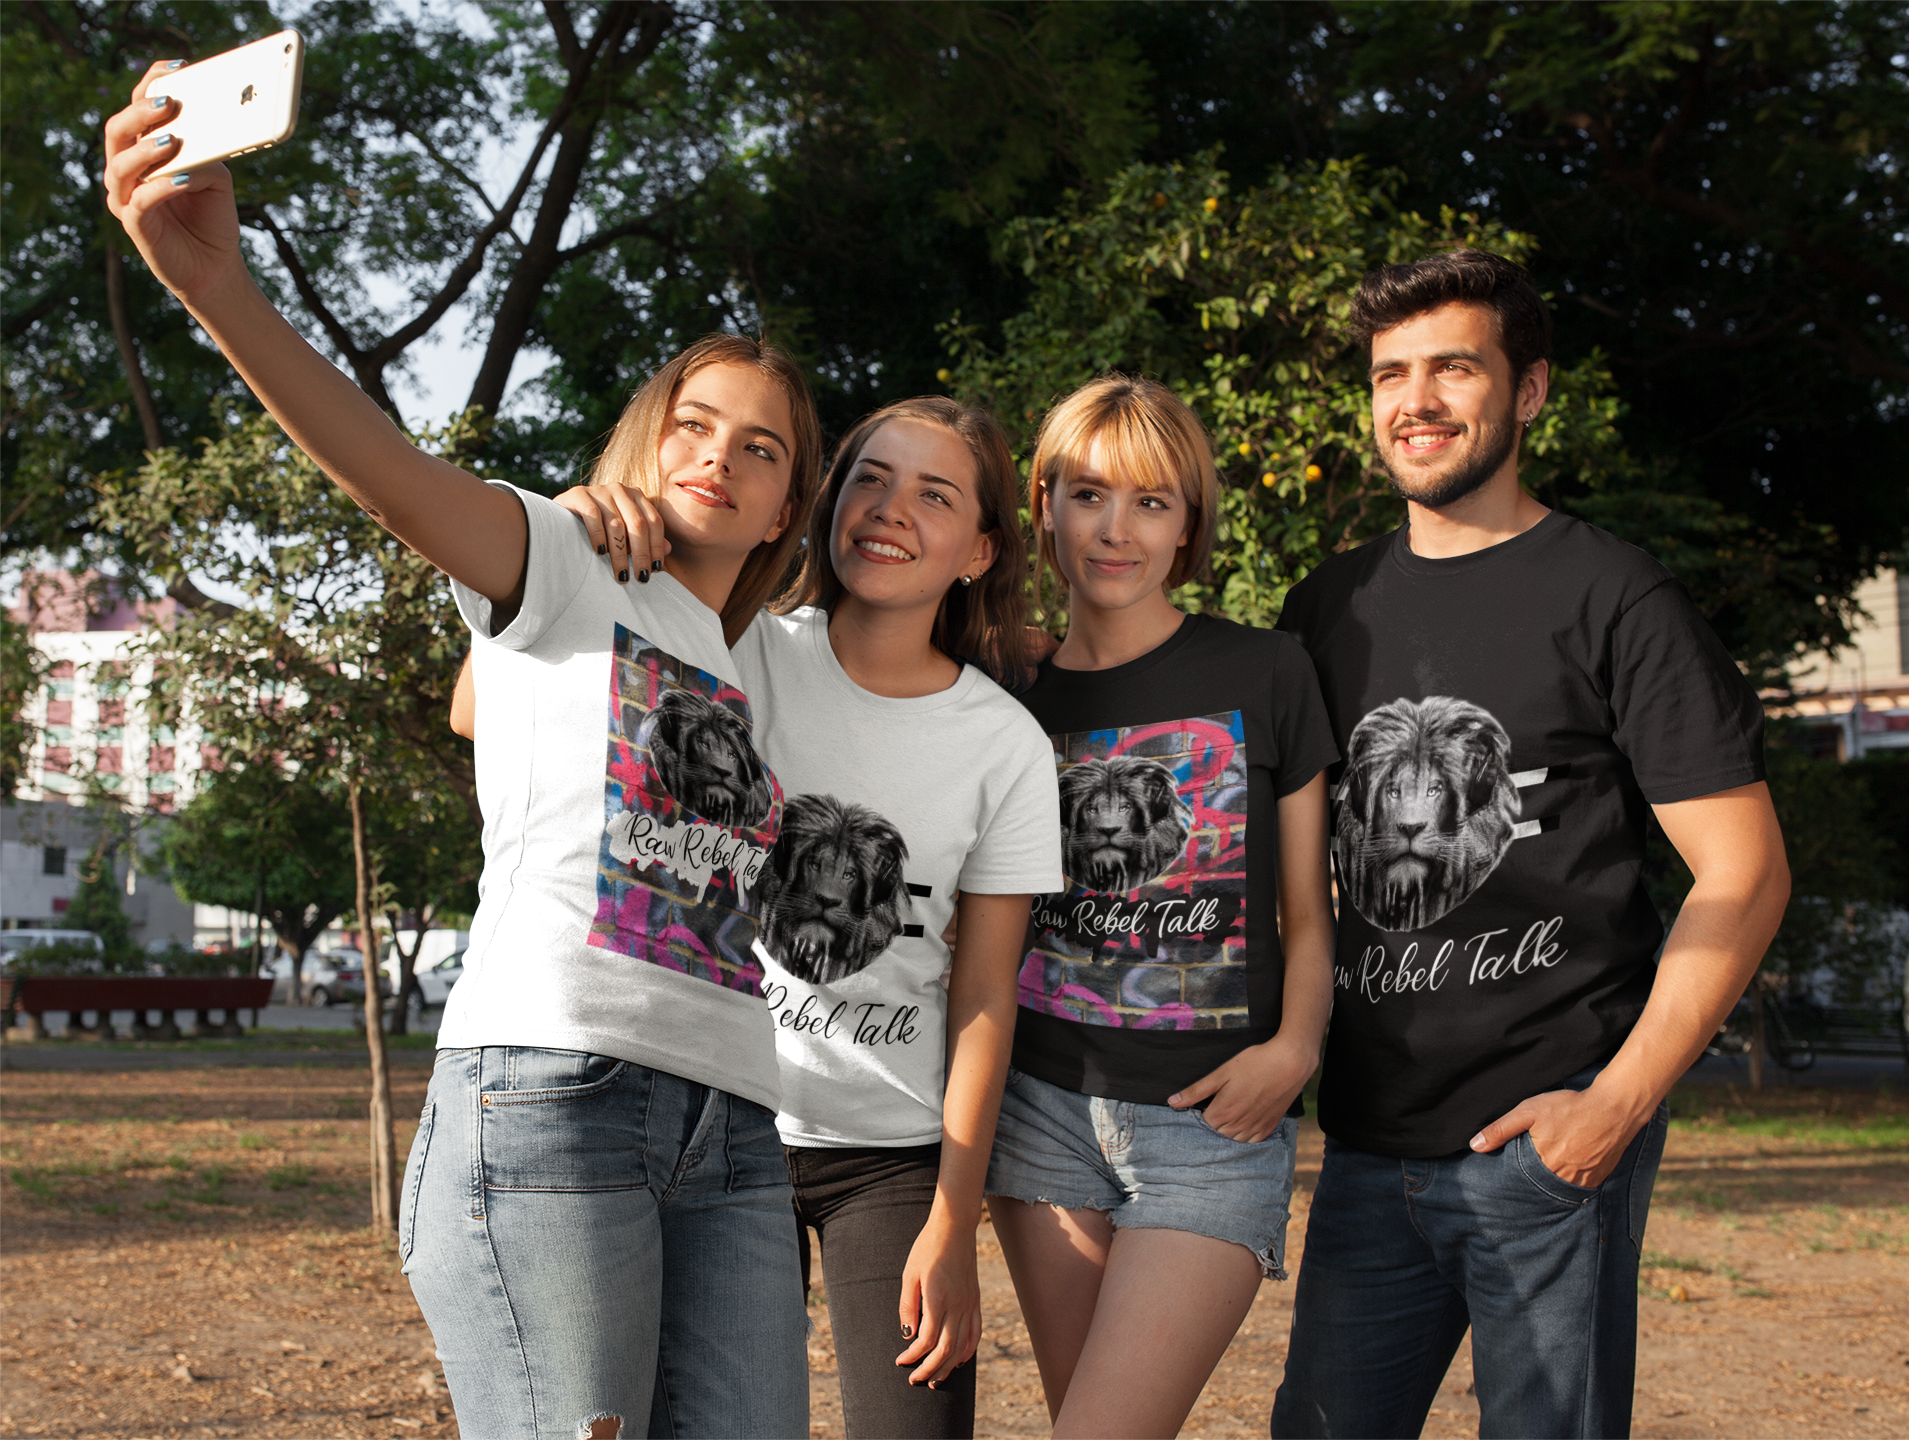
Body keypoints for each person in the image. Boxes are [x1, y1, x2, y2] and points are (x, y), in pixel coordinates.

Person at [106, 63, 826, 1438]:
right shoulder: (560, 553)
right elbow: (385, 468)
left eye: (764, 449)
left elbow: (473, 706)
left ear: (790, 499)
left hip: (736, 1122)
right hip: (557, 1095)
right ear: (646, 435)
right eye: (693, 423)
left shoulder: (757, 657)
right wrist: (215, 287)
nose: (720, 458)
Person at [1270, 248, 1792, 1440]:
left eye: (1454, 367)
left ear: (1532, 391)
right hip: (1363, 1153)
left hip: (1546, 1150)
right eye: (1391, 373)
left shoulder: (1613, 596)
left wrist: (1613, 1108)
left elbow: (1746, 874)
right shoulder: (1326, 606)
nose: (1416, 401)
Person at [553, 397, 1062, 1440]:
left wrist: (953, 1220)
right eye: (870, 478)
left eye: (935, 494)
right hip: (717, 1127)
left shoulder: (1003, 742)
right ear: (825, 503)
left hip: (893, 1156)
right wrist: (576, 532)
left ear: (979, 548)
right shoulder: (732, 650)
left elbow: (982, 997)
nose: (890, 510)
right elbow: (491, 702)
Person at [979, 376, 1339, 1440]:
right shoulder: (1003, 687)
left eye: (1151, 501)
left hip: (1210, 1126)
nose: (1115, 529)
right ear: (1043, 505)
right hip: (1040, 1108)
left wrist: (1296, 1048)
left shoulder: (1266, 670)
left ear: (1188, 526)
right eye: (1088, 494)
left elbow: (1312, 913)